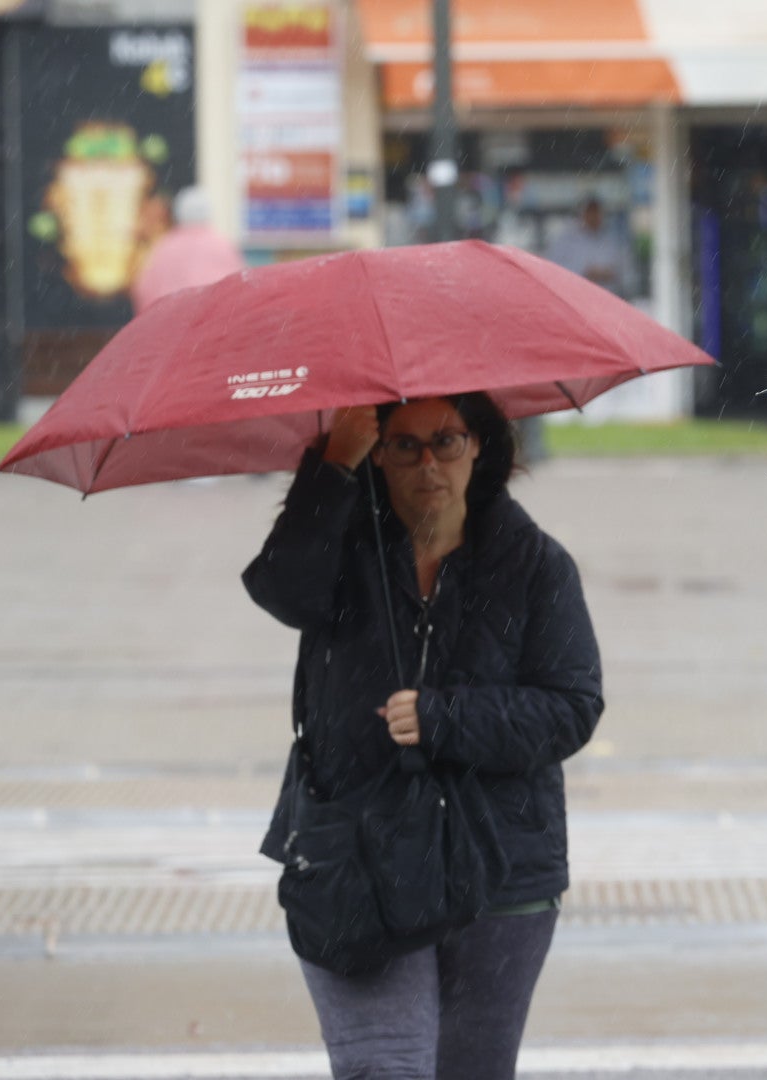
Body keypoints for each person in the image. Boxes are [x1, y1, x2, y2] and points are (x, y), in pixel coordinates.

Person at [243, 393, 603, 1080]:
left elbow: (571, 707)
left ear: (480, 447)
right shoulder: (337, 549)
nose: (428, 462)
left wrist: (444, 719)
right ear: (377, 453)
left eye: (447, 440)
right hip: (357, 859)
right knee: (385, 1067)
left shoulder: (534, 564)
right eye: (403, 444)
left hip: (497, 867)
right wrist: (332, 466)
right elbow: (282, 592)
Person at [130, 186, 245, 313]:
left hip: (172, 322)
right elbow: (239, 287)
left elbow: (144, 289)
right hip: (212, 322)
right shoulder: (222, 245)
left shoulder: (164, 247)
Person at [543, 196, 636, 298]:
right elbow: (553, 269)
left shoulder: (613, 240)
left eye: (596, 212)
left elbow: (626, 273)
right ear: (583, 214)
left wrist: (608, 274)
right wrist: (585, 272)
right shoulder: (567, 239)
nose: (593, 216)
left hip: (607, 297)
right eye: (590, 212)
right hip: (575, 296)